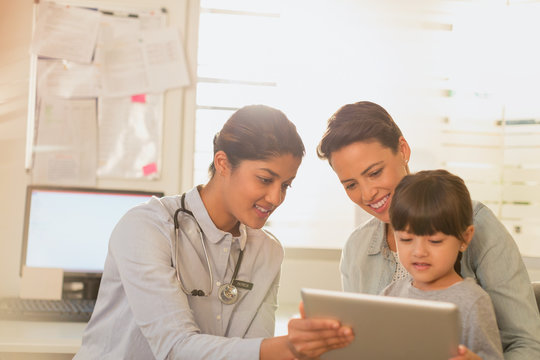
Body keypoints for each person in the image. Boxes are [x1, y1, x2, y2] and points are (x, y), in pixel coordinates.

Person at [75, 105, 353, 360]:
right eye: (265, 179)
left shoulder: (267, 251)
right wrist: (286, 347)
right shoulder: (147, 227)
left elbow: (255, 347)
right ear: (222, 163)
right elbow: (174, 348)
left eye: (286, 185)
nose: (276, 198)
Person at [317, 101, 540, 360]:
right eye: (350, 185)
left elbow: (528, 344)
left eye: (375, 172)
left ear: (402, 150)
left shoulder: (477, 224)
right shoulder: (356, 247)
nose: (367, 194)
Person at [382, 169, 503, 359]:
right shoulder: (390, 294)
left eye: (435, 241)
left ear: (464, 238)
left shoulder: (472, 302)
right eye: (406, 239)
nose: (419, 252)